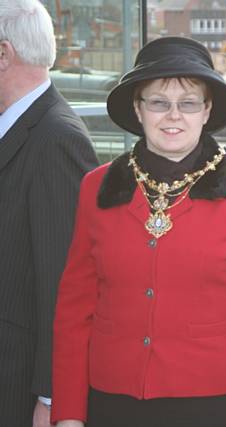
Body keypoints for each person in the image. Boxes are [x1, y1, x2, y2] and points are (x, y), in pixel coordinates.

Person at [51, 36, 226, 427]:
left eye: (188, 103)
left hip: (213, 406)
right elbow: (74, 310)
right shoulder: (97, 187)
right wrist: (68, 414)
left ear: (206, 110)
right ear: (138, 108)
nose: (173, 116)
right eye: (159, 102)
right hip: (112, 403)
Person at [0, 1, 98, 426]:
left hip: (17, 389)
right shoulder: (15, 125)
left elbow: (66, 281)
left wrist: (53, 397)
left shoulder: (58, 139)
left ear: (3, 54)